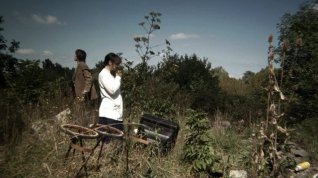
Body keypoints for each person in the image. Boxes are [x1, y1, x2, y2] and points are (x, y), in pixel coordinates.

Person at [98, 52, 123, 142]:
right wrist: (118, 77)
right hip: (109, 113)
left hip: (112, 112)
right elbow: (112, 90)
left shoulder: (108, 74)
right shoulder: (103, 74)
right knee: (111, 142)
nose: (116, 66)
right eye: (116, 64)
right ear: (110, 62)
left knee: (112, 142)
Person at [72, 49, 97, 125]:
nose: (73, 56)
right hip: (80, 95)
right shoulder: (79, 65)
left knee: (83, 114)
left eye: (75, 54)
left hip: (84, 96)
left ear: (78, 56)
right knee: (81, 114)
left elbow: (89, 78)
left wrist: (85, 91)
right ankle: (84, 128)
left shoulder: (82, 65)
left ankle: (86, 129)